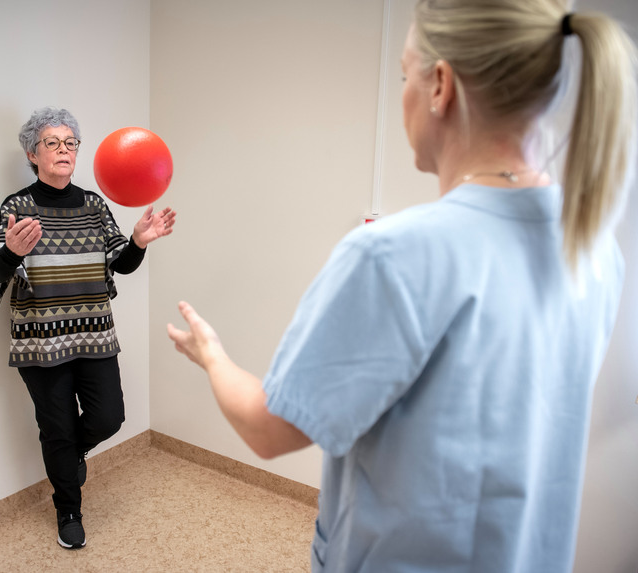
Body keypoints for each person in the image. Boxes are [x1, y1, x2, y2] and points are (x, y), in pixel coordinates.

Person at [167, 2, 637, 571]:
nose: (403, 94)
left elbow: (270, 431)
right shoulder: (590, 244)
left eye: (404, 74)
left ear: (440, 85)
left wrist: (212, 356)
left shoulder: (394, 254)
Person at [0, 107, 176, 550]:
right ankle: (68, 510)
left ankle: (73, 455)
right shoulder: (16, 206)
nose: (65, 150)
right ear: (33, 154)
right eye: (53, 142)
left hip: (94, 335)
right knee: (57, 430)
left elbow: (120, 263)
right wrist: (11, 251)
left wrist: (139, 242)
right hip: (40, 342)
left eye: (71, 143)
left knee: (109, 417)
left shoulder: (93, 205)